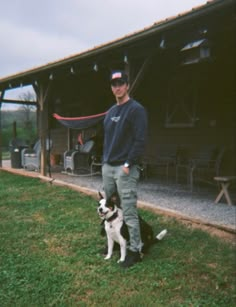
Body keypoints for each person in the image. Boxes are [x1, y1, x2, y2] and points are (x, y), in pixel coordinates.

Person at [102, 70, 148, 268]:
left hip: (125, 168)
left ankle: (135, 250)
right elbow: (107, 139)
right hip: (108, 168)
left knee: (128, 210)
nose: (117, 87)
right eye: (114, 84)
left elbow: (140, 140)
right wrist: (105, 162)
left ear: (127, 85)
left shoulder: (136, 110)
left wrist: (129, 164)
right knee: (110, 209)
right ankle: (113, 243)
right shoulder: (111, 112)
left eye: (121, 83)